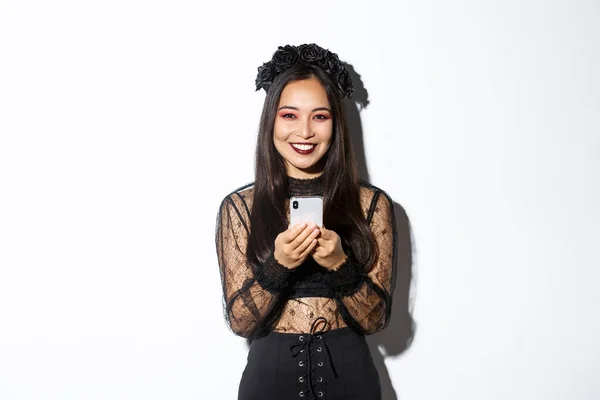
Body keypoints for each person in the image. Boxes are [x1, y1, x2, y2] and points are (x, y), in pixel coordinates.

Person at [215, 43, 397, 400]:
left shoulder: (371, 204)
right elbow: (240, 321)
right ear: (271, 121)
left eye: (319, 116)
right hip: (270, 379)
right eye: (289, 115)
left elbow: (376, 321)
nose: (304, 132)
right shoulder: (240, 207)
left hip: (351, 378)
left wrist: (340, 265)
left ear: (336, 123)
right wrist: (279, 265)